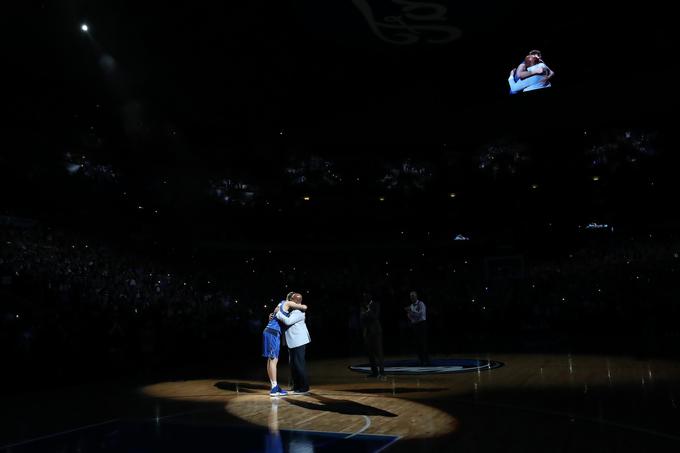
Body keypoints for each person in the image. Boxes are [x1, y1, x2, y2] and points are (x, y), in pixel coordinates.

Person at [263, 294, 307, 397]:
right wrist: (302, 306)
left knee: (270, 360)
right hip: (273, 333)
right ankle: (274, 387)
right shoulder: (287, 302)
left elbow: (282, 318)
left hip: (269, 331)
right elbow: (303, 307)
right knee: (274, 360)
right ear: (291, 299)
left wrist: (274, 314)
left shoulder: (281, 305)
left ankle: (274, 385)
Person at [276, 292, 311, 394]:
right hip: (293, 341)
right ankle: (296, 386)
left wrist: (278, 313)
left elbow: (288, 321)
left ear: (295, 301)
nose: (288, 300)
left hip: (299, 341)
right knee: (293, 365)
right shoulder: (293, 310)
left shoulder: (299, 311)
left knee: (299, 365)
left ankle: (304, 387)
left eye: (291, 299)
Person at [360, 292, 384, 377]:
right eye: (364, 296)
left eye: (366, 296)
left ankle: (381, 372)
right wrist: (367, 313)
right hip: (368, 332)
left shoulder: (376, 305)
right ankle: (374, 372)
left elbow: (375, 317)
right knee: (370, 353)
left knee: (378, 352)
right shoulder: (363, 305)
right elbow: (362, 318)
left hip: (376, 332)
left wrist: (368, 311)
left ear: (370, 297)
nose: (365, 298)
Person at [404, 290, 430, 365]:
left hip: (422, 324)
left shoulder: (421, 304)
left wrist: (410, 312)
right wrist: (410, 313)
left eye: (413, 295)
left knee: (423, 342)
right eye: (410, 296)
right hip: (415, 325)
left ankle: (426, 360)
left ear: (416, 296)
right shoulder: (411, 306)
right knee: (417, 343)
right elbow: (411, 318)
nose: (411, 297)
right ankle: (421, 359)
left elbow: (420, 315)